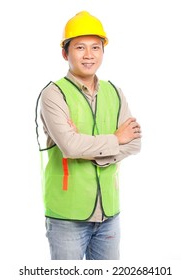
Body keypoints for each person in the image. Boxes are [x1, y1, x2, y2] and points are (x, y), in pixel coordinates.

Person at [35, 11, 141, 260]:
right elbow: (70, 147)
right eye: (80, 47)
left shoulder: (115, 92)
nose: (89, 55)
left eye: (96, 47)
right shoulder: (54, 94)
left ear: (103, 52)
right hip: (67, 216)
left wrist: (95, 153)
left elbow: (135, 142)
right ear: (65, 53)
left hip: (109, 214)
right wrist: (116, 139)